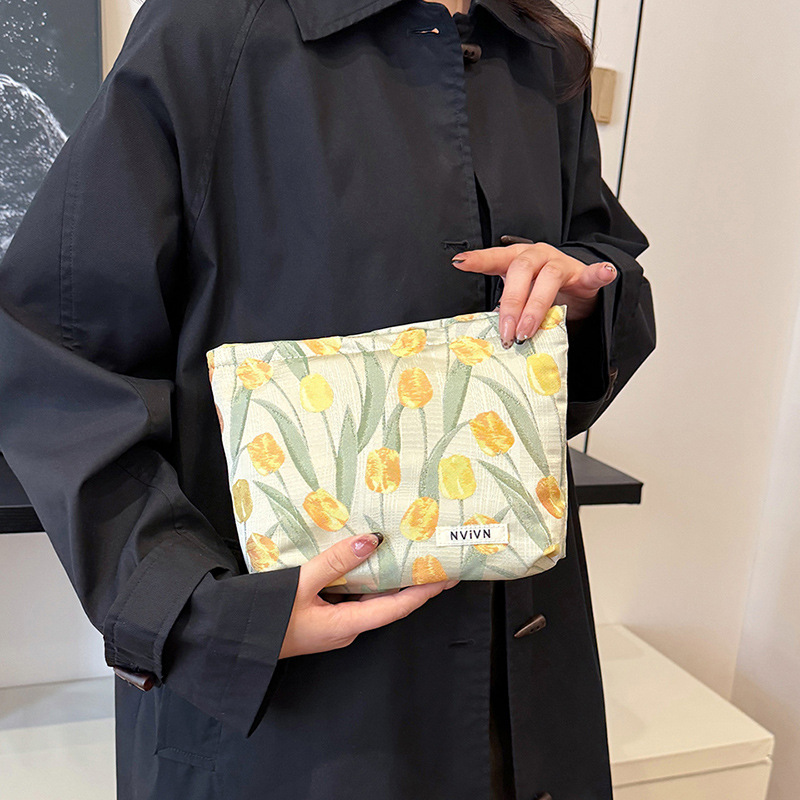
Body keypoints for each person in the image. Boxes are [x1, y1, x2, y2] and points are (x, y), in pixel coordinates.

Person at [0, 0, 656, 796]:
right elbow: (53, 348)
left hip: (526, 685)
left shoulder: (536, 47)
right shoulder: (211, 30)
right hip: (296, 714)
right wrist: (195, 609)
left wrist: (578, 297)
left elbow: (599, 253)